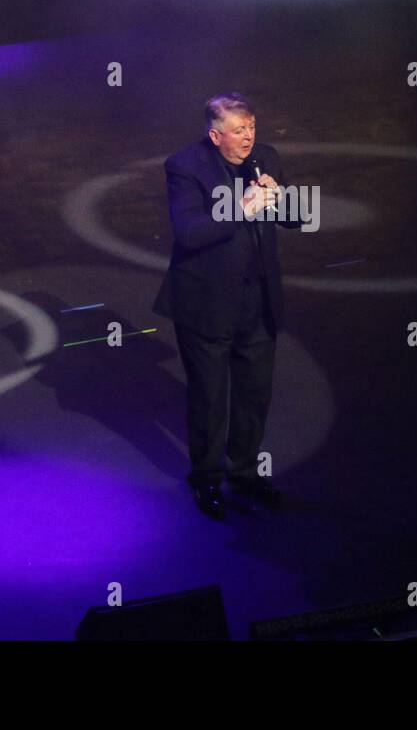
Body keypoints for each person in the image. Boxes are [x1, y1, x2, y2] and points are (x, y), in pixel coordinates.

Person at [153, 93, 305, 518]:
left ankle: (245, 473)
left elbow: (297, 218)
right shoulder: (185, 166)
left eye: (252, 127)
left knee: (254, 395)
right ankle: (206, 480)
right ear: (215, 134)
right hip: (206, 305)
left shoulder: (267, 157)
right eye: (239, 131)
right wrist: (242, 207)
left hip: (258, 301)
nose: (248, 138)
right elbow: (189, 234)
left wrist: (282, 198)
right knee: (209, 399)